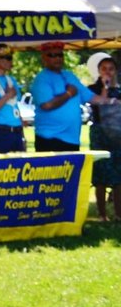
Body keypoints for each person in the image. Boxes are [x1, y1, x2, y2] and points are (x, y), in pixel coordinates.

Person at [31, 42, 93, 152]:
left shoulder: (69, 75)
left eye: (60, 55)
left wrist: (112, 100)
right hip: (50, 139)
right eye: (52, 55)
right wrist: (68, 94)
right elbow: (46, 105)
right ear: (44, 58)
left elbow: (91, 97)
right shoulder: (41, 79)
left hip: (72, 139)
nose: (57, 58)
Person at [86, 54, 121, 219]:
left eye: (111, 69)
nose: (107, 72)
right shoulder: (92, 89)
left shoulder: (120, 90)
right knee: (100, 174)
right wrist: (105, 88)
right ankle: (102, 214)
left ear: (115, 71)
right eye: (104, 69)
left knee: (118, 175)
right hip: (99, 134)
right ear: (99, 71)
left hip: (117, 134)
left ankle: (118, 213)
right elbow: (99, 103)